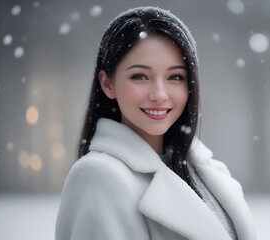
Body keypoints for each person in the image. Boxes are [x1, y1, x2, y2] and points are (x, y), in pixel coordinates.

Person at [55, 6, 256, 240]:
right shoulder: (100, 176)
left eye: (175, 77)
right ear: (107, 83)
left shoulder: (203, 170)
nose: (160, 94)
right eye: (140, 76)